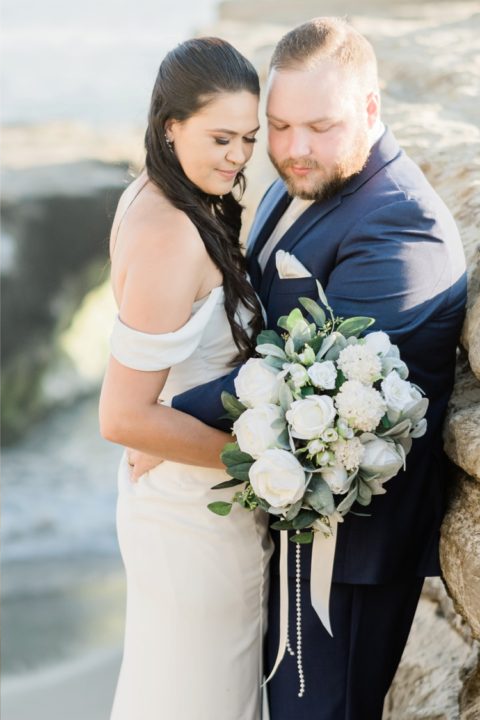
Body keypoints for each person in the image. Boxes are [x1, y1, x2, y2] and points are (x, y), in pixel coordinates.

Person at [141, 18, 467, 719]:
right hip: (284, 517)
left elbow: (308, 389)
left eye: (319, 125)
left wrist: (159, 419)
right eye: (279, 126)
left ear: (372, 108)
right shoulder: (298, 183)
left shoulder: (399, 227)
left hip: (342, 555)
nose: (293, 149)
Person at [98, 37, 270, 720]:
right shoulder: (170, 231)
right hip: (197, 517)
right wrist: (266, 467)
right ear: (172, 126)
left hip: (179, 495)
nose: (238, 156)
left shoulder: (150, 190)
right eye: (221, 137)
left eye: (249, 139)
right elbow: (123, 418)